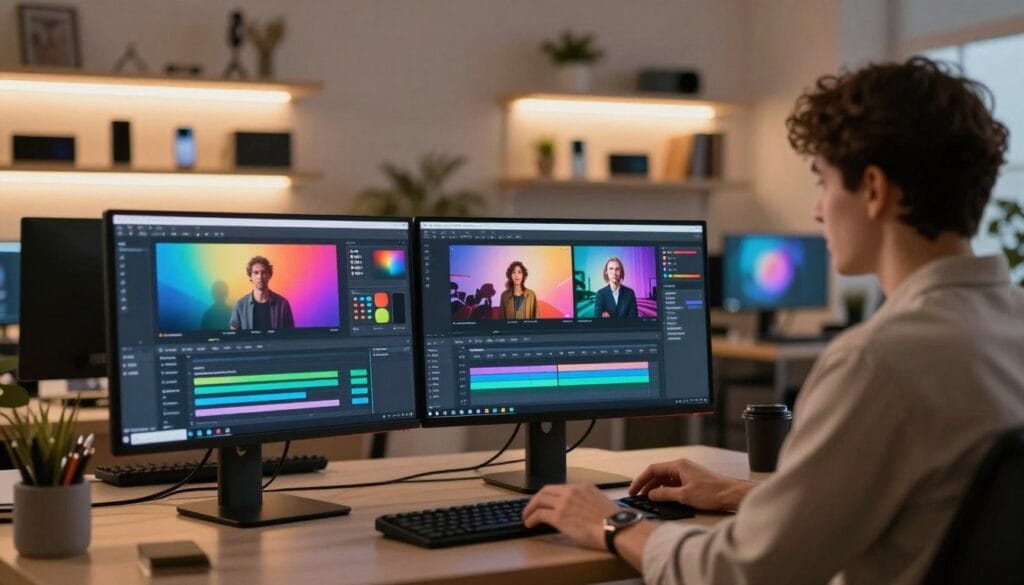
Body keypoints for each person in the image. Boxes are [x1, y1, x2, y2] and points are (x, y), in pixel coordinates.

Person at [522, 57, 1024, 585]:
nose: (818, 210)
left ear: (874, 190)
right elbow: (919, 505)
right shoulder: (1007, 326)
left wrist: (610, 522)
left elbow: (740, 573)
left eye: (823, 182)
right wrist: (737, 493)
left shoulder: (876, 363)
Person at [229, 255, 295, 330]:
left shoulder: (283, 304)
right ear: (250, 277)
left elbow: (290, 333)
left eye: (263, 272)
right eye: (256, 273)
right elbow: (234, 332)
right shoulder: (240, 305)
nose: (260, 277)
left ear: (269, 275)